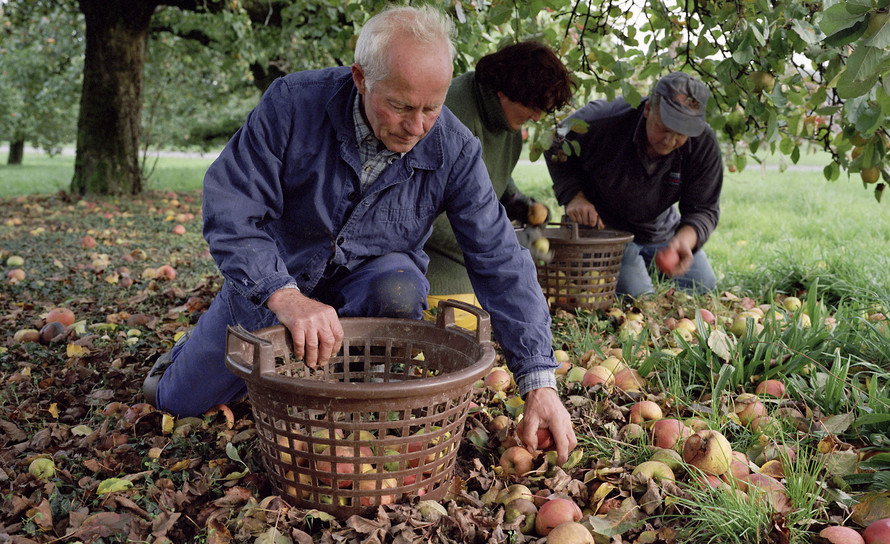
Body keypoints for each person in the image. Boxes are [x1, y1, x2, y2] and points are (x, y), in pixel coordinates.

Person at [142, 5, 575, 463]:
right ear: (360, 78)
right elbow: (232, 209)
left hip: (370, 285)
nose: (416, 127)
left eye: (433, 107)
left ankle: (345, 393)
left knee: (400, 287)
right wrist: (283, 296)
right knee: (178, 404)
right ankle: (192, 356)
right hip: (276, 279)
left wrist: (539, 379)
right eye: (401, 106)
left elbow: (500, 258)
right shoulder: (292, 104)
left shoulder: (454, 146)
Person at [546, 71, 722, 297]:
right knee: (637, 296)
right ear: (648, 109)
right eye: (664, 128)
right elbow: (555, 140)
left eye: (680, 134)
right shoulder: (601, 121)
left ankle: (646, 264)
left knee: (703, 286)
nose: (669, 141)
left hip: (659, 231)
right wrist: (573, 195)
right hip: (604, 230)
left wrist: (684, 241)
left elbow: (704, 208)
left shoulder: (702, 144)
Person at [425, 40, 574, 296]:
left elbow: (489, 180)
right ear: (504, 90)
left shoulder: (508, 128)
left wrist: (518, 202)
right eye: (533, 106)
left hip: (466, 255)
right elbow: (425, 216)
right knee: (473, 309)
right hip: (429, 259)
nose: (537, 117)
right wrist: (502, 242)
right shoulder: (452, 117)